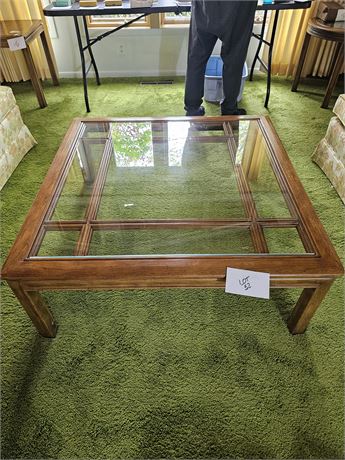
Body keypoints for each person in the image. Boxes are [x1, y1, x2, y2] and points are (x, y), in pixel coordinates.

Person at [184, 0, 257, 116]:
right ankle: (229, 109)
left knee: (196, 58)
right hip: (239, 6)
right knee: (234, 59)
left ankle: (192, 107)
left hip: (206, 5)